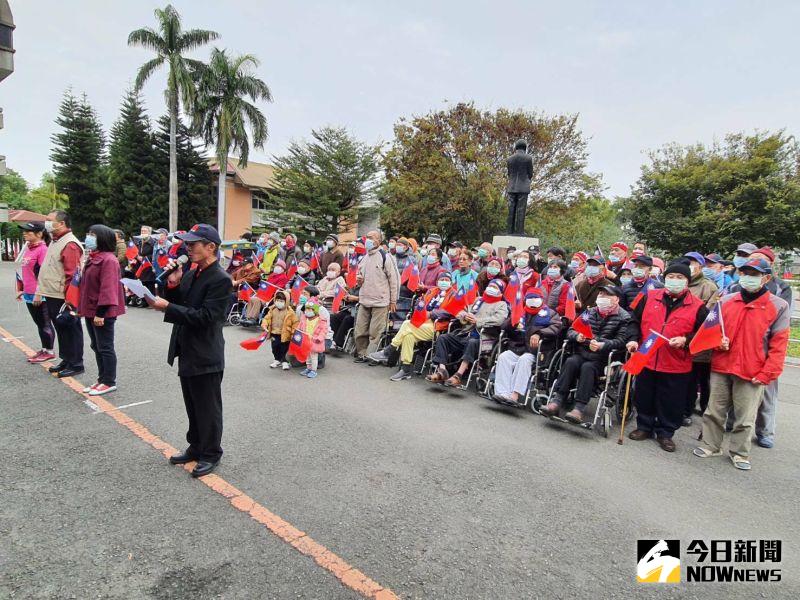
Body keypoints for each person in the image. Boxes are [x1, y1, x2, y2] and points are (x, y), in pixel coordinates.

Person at [146, 224, 232, 478]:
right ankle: (196, 446)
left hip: (206, 352)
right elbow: (183, 301)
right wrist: (172, 285)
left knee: (208, 407)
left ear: (211, 247)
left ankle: (211, 453)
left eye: (193, 244)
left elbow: (207, 317)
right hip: (188, 347)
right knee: (192, 404)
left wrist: (167, 307)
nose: (188, 247)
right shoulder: (193, 272)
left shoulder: (220, 279)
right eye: (187, 243)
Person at [694, 259, 789, 471]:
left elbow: (779, 345)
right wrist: (718, 341)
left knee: (745, 417)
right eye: (745, 272)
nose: (748, 277)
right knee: (714, 411)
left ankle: (739, 453)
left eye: (754, 274)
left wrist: (768, 373)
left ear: (766, 278)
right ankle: (711, 445)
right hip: (722, 364)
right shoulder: (726, 300)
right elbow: (709, 331)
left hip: (752, 369)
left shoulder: (778, 306)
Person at [626, 261, 708, 452]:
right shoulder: (648, 296)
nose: (674, 281)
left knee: (670, 401)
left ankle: (665, 433)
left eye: (680, 278)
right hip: (647, 356)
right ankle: (644, 426)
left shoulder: (698, 306)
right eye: (671, 277)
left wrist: (686, 340)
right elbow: (633, 321)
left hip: (676, 362)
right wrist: (632, 339)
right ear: (664, 278)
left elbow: (704, 334)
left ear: (687, 282)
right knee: (644, 395)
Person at [726, 246, 792, 449]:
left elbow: (781, 330)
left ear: (768, 268)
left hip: (763, 351)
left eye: (759, 260)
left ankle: (764, 431)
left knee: (765, 394)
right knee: (731, 390)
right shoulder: (735, 288)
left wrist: (770, 366)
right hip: (736, 348)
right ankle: (730, 422)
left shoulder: (781, 290)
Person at [540, 286, 634, 423]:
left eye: (607, 295)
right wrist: (577, 336)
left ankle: (579, 408)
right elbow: (571, 330)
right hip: (583, 352)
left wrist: (602, 344)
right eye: (601, 293)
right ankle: (557, 400)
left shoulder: (624, 317)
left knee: (588, 368)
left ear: (616, 299)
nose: (602, 297)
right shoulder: (589, 312)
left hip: (604, 359)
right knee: (571, 362)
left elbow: (621, 341)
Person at [368, 272, 455, 381]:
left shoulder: (454, 294)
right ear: (437, 281)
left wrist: (431, 314)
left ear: (451, 282)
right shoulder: (432, 291)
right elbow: (420, 303)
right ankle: (405, 369)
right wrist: (419, 307)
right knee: (408, 336)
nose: (444, 282)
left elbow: (450, 311)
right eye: (442, 279)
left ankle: (389, 350)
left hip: (436, 326)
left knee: (406, 324)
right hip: (421, 322)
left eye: (447, 280)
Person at [428, 279, 510, 386]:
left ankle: (458, 375)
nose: (491, 289)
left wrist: (478, 321)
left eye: (495, 288)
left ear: (500, 292)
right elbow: (461, 309)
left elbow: (499, 319)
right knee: (443, 338)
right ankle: (442, 370)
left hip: (484, 336)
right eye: (490, 286)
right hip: (465, 332)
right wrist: (465, 315)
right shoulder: (479, 300)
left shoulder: (501, 305)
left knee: (472, 342)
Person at [77, 224, 127, 396]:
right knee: (96, 345)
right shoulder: (94, 257)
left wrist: (101, 313)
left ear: (102, 238)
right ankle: (101, 378)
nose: (89, 237)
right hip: (91, 309)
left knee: (105, 347)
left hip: (102, 312)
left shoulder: (108, 260)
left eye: (93, 234)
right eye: (88, 233)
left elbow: (108, 289)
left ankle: (109, 380)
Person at [34, 210, 84, 378]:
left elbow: (72, 275)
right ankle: (67, 359)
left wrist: (71, 300)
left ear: (61, 223)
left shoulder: (70, 244)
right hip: (53, 293)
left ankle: (76, 363)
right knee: (61, 328)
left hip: (63, 296)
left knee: (71, 328)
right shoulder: (57, 240)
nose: (46, 223)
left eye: (49, 220)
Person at [493, 289, 562, 404]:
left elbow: (556, 327)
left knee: (524, 360)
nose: (533, 300)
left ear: (541, 299)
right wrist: (512, 321)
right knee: (504, 357)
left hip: (537, 351)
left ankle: (514, 395)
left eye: (535, 298)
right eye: (530, 298)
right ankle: (502, 393)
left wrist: (540, 333)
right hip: (518, 347)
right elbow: (504, 326)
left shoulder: (550, 313)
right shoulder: (520, 312)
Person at [682, 252, 720, 426]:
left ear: (701, 266)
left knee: (698, 378)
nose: (689, 265)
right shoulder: (680, 282)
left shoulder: (709, 287)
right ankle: (682, 407)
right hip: (678, 339)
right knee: (684, 378)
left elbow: (708, 317)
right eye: (687, 262)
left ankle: (695, 409)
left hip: (698, 341)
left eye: (693, 262)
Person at [353, 230, 399, 361]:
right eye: (366, 237)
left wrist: (393, 301)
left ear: (378, 241)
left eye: (371, 238)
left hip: (380, 302)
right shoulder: (364, 257)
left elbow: (394, 280)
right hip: (364, 299)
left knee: (375, 332)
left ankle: (370, 355)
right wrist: (358, 280)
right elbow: (358, 277)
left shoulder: (386, 257)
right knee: (360, 330)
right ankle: (361, 353)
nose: (367, 240)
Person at [16, 222, 55, 363]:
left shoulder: (43, 250)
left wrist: (40, 292)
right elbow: (27, 273)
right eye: (24, 231)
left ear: (39, 234)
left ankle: (50, 351)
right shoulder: (29, 248)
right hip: (29, 292)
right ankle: (44, 349)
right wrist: (22, 290)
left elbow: (44, 274)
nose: (25, 233)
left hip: (39, 294)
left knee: (45, 323)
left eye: (28, 232)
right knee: (39, 323)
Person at [262, 290, 298, 370]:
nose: (279, 302)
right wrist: (264, 324)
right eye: (277, 300)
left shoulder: (290, 312)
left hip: (285, 334)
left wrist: (293, 334)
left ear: (287, 301)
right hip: (274, 333)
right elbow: (266, 318)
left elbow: (295, 324)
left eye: (281, 301)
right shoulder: (272, 310)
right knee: (275, 347)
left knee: (284, 348)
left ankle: (285, 361)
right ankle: (277, 360)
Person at [297, 299, 329, 379]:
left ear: (315, 310)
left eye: (310, 309)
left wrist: (319, 338)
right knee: (307, 356)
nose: (307, 311)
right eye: (306, 309)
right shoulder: (304, 319)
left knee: (314, 357)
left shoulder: (321, 321)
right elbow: (299, 328)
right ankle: (308, 368)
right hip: (306, 341)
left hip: (315, 342)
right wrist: (297, 334)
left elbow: (324, 330)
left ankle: (313, 370)